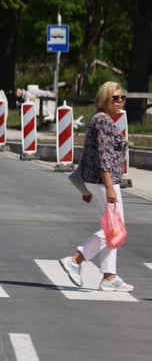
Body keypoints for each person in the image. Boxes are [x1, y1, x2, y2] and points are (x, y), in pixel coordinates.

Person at [59, 81, 132, 292]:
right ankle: (75, 260)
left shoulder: (99, 120)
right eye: (114, 98)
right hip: (104, 182)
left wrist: (86, 188)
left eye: (122, 98)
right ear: (104, 99)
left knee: (113, 227)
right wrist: (109, 187)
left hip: (97, 182)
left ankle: (109, 276)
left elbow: (88, 154)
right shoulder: (104, 123)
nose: (119, 102)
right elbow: (103, 158)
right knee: (114, 228)